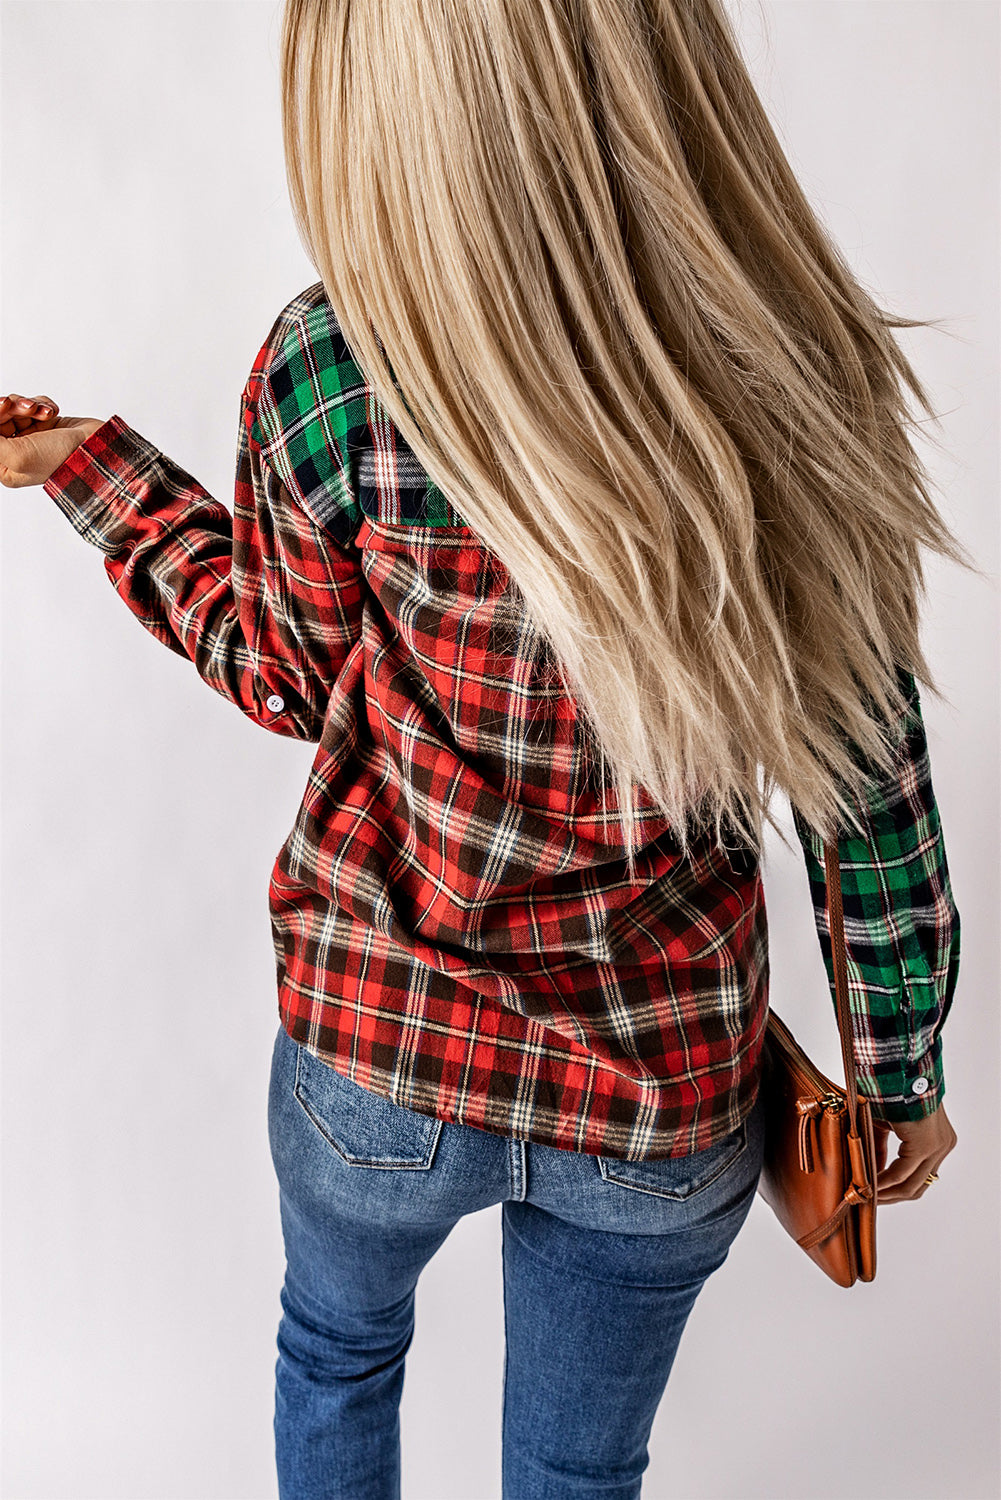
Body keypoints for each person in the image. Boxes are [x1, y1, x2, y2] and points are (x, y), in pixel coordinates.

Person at [1, 1, 972, 1495]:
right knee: (579, 1477)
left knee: (333, 1355)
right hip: (659, 1093)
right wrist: (894, 1068)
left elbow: (280, 667)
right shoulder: (801, 380)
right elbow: (868, 792)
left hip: (376, 1052)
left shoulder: (333, 368)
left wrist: (95, 474)